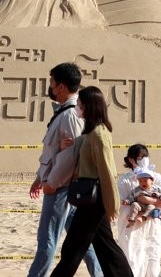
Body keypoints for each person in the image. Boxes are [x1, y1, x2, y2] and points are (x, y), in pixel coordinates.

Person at [48, 86, 133, 277]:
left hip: (95, 198)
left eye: (79, 104)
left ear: (88, 106)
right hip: (91, 197)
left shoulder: (100, 134)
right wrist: (73, 143)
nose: (76, 106)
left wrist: (112, 205)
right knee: (106, 247)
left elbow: (107, 172)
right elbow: (84, 147)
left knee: (74, 247)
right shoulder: (92, 133)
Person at [27, 63, 102, 277]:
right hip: (63, 186)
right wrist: (40, 177)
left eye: (51, 83)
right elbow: (54, 152)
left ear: (60, 86)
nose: (49, 87)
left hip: (61, 189)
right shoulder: (64, 113)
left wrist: (51, 183)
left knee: (47, 241)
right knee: (81, 241)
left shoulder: (69, 115)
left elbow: (70, 157)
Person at [116, 145, 161, 277]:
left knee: (152, 263)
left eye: (146, 156)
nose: (144, 160)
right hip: (131, 227)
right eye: (140, 157)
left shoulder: (156, 178)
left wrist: (146, 200)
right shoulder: (124, 180)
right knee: (132, 264)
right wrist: (142, 210)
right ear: (131, 159)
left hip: (152, 227)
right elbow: (123, 206)